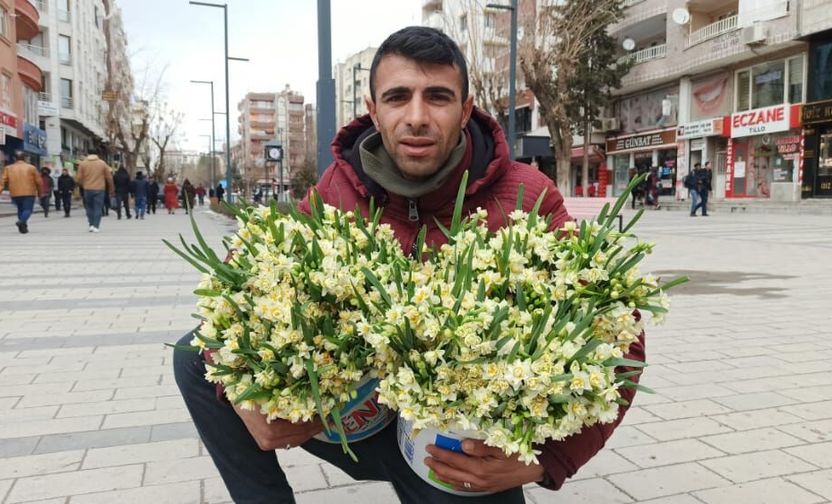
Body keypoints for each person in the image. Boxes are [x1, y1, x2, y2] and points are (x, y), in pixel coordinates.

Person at [172, 26, 645, 504]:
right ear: (373, 110)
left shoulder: (525, 195)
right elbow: (246, 275)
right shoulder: (341, 186)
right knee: (195, 355)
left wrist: (545, 460)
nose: (416, 117)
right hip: (355, 419)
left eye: (437, 97)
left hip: (453, 440)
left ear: (465, 109)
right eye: (398, 97)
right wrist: (239, 386)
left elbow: (620, 330)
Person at [1, 151, 42, 233]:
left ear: (14, 158)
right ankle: (21, 222)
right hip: (29, 192)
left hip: (15, 192)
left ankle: (23, 227)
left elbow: (2, 181)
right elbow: (38, 182)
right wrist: (39, 192)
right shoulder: (31, 168)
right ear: (25, 158)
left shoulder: (8, 168)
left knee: (20, 209)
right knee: (28, 210)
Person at [76, 148, 115, 233]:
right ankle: (96, 226)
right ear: (97, 154)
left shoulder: (83, 164)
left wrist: (83, 184)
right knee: (98, 207)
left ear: (88, 154)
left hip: (87, 189)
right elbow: (109, 177)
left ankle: (91, 224)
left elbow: (78, 178)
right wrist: (112, 188)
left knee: (89, 207)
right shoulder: (102, 163)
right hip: (99, 189)